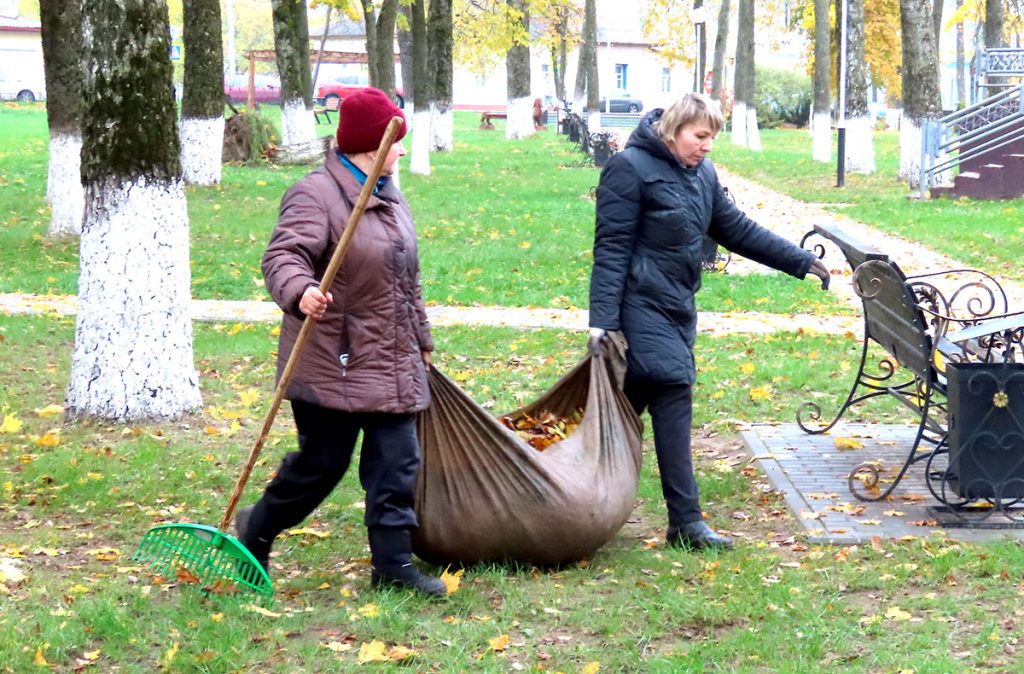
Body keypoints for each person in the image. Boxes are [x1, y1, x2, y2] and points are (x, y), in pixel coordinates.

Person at [587, 93, 830, 551]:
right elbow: (612, 248)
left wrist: (798, 260)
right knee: (672, 387)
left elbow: (736, 229)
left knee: (619, 412)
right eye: (701, 136)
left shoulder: (701, 175)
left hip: (677, 306)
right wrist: (601, 321)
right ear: (674, 129)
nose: (707, 146)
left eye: (712, 138)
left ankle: (568, 494)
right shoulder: (630, 168)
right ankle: (686, 522)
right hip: (638, 305)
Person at [236, 88, 445, 596]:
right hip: (334, 357)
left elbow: (405, 279)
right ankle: (257, 528)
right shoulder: (316, 194)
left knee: (396, 460)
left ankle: (392, 567)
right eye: (395, 142)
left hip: (389, 354)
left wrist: (421, 337)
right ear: (371, 146)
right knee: (320, 467)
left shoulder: (390, 196)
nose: (401, 151)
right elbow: (283, 257)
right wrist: (301, 291)